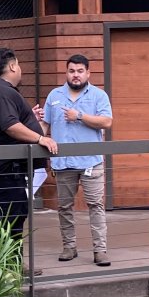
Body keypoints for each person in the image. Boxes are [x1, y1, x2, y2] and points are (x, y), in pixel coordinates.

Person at [0, 48, 57, 270]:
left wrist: (29, 118)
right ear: (12, 66)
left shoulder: (0, 91)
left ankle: (12, 263)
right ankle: (6, 266)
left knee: (16, 213)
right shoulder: (0, 91)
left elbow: (11, 121)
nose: (20, 69)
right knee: (9, 215)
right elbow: (10, 126)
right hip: (7, 167)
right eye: (19, 64)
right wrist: (40, 138)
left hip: (12, 167)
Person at [44, 54, 113, 267]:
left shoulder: (99, 95)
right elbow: (45, 126)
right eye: (72, 71)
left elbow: (107, 122)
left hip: (91, 161)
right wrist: (36, 131)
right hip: (63, 162)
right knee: (64, 207)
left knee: (96, 205)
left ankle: (100, 250)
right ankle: (69, 247)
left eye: (80, 71)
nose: (76, 75)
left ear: (88, 73)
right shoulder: (54, 96)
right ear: (66, 73)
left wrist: (79, 116)